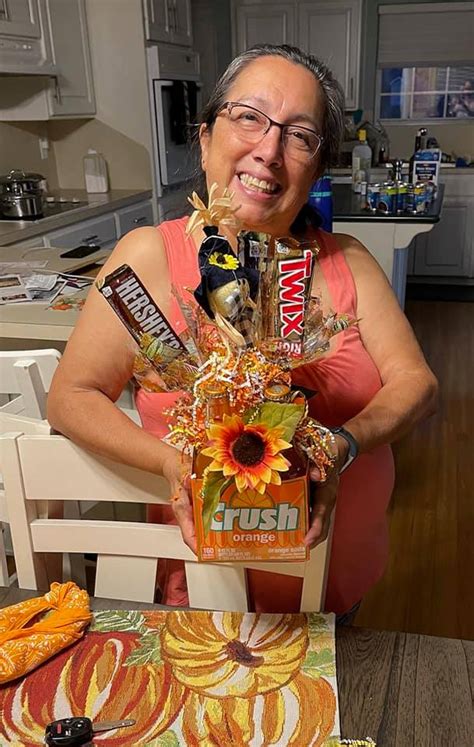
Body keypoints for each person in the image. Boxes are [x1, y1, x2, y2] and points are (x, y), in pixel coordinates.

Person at [47, 44, 438, 617]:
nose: (269, 151)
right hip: (202, 593)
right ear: (206, 138)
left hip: (337, 590)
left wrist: (342, 444)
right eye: (249, 117)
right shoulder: (148, 258)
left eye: (300, 135)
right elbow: (70, 397)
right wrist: (170, 461)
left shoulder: (348, 261)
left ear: (316, 167)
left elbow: (417, 382)